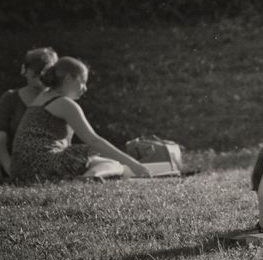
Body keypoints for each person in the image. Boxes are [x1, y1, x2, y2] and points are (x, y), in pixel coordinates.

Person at [11, 56, 151, 183]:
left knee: (106, 164)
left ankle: (88, 177)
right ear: (68, 79)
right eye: (82, 82)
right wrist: (135, 165)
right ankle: (87, 179)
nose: (85, 89)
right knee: (115, 165)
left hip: (21, 171)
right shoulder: (65, 103)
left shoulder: (42, 97)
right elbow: (93, 140)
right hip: (45, 167)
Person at [0, 47, 59, 179]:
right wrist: (10, 169)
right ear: (24, 70)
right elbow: (1, 139)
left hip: (48, 167)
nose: (39, 79)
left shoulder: (59, 101)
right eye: (35, 73)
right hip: (12, 164)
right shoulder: (10, 98)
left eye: (44, 73)